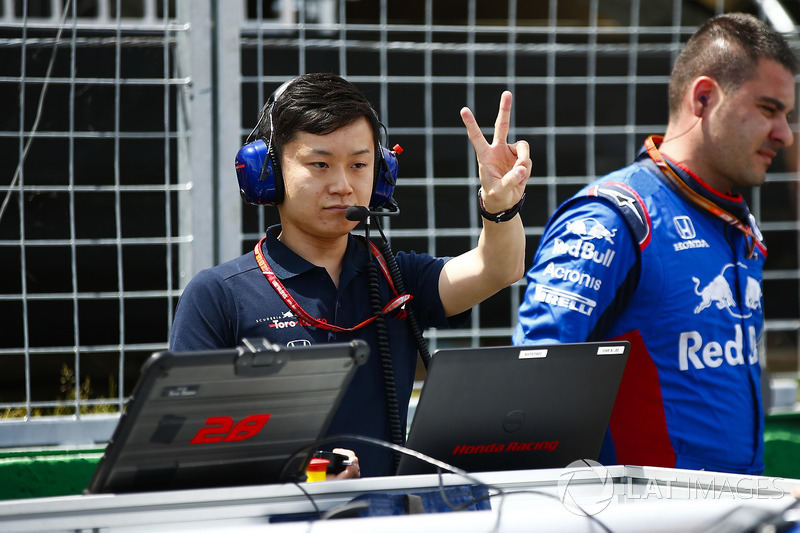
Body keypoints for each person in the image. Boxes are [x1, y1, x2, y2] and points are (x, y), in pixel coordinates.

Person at [170, 73, 531, 478]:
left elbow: (499, 268)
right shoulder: (218, 295)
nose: (343, 186)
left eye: (359, 165)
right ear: (267, 172)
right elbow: (181, 445)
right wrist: (292, 475)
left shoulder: (398, 277)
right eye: (320, 164)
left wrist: (500, 206)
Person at [513, 13, 797, 475]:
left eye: (787, 115)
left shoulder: (735, 220)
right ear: (704, 97)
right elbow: (529, 384)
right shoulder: (613, 218)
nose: (784, 134)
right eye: (769, 110)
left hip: (742, 508)